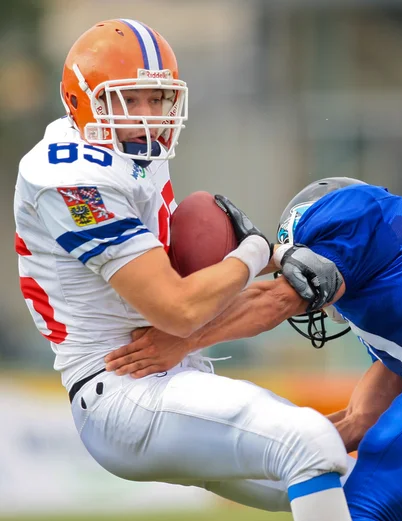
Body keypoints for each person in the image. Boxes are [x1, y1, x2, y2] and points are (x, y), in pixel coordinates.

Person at [14, 20, 357, 521]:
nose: (148, 117)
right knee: (310, 440)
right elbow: (176, 309)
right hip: (121, 392)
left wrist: (270, 262)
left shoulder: (130, 151)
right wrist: (257, 251)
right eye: (130, 101)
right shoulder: (69, 176)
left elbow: (182, 289)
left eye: (157, 99)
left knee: (353, 486)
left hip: (173, 374)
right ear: (79, 101)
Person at [107, 177, 402, 521]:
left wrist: (183, 338)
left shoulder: (349, 212)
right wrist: (235, 460)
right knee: (353, 500)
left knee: (361, 508)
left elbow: (279, 294)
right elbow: (358, 422)